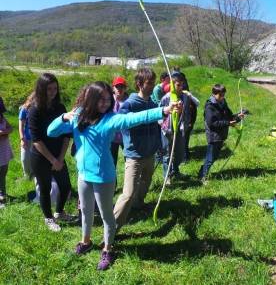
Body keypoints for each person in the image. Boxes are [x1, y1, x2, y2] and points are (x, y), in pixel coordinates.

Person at [47, 81, 179, 270]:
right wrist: (64, 117)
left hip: (103, 177)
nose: (105, 103)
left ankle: (108, 249)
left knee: (106, 215)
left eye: (108, 100)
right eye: (101, 100)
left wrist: (164, 110)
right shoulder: (78, 117)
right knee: (85, 211)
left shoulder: (110, 119)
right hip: (84, 176)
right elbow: (50, 132)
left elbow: (134, 118)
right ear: (90, 99)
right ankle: (86, 242)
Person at [113, 68, 162, 232]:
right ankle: (112, 227)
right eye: (149, 83)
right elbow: (121, 122)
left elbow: (157, 125)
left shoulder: (153, 103)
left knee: (146, 182)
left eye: (154, 83)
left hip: (150, 153)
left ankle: (138, 204)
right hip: (135, 155)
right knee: (127, 193)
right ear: (139, 84)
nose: (152, 86)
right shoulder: (130, 104)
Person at [28, 73, 72, 232]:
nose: (53, 92)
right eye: (49, 89)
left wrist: (60, 158)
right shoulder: (34, 111)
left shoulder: (60, 108)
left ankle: (59, 212)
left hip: (58, 156)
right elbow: (36, 140)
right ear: (41, 89)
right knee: (45, 188)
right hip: (40, 157)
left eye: (55, 88)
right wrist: (52, 160)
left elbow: (67, 134)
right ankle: (49, 218)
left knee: (66, 186)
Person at [198, 84, 244, 182]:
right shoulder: (209, 106)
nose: (222, 97)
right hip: (213, 136)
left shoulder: (222, 102)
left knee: (214, 157)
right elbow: (212, 123)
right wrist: (228, 123)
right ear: (214, 94)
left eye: (223, 95)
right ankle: (202, 177)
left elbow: (228, 115)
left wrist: (237, 117)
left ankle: (202, 172)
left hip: (221, 135)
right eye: (220, 95)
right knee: (210, 158)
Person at [160, 72, 199, 182]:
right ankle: (166, 176)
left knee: (179, 153)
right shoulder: (167, 97)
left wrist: (190, 95)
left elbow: (197, 103)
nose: (181, 87)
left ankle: (175, 171)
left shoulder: (185, 96)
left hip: (180, 129)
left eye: (182, 85)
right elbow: (159, 112)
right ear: (172, 85)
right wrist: (163, 124)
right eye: (178, 85)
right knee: (167, 154)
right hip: (168, 130)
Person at [110, 76, 128, 168]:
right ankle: (113, 182)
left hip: (125, 137)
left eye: (122, 87)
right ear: (113, 88)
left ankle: (129, 182)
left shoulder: (129, 101)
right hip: (112, 137)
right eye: (117, 87)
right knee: (112, 163)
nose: (119, 89)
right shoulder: (109, 100)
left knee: (129, 161)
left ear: (125, 88)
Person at [0, 97, 13, 205]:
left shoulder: (2, 117)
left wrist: (4, 131)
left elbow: (10, 128)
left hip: (4, 151)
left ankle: (2, 193)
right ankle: (1, 198)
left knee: (3, 174)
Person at [19, 92, 35, 178]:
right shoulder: (24, 109)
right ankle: (26, 174)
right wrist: (22, 138)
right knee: (24, 158)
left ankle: (33, 173)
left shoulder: (39, 109)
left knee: (34, 157)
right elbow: (20, 125)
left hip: (37, 139)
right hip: (26, 138)